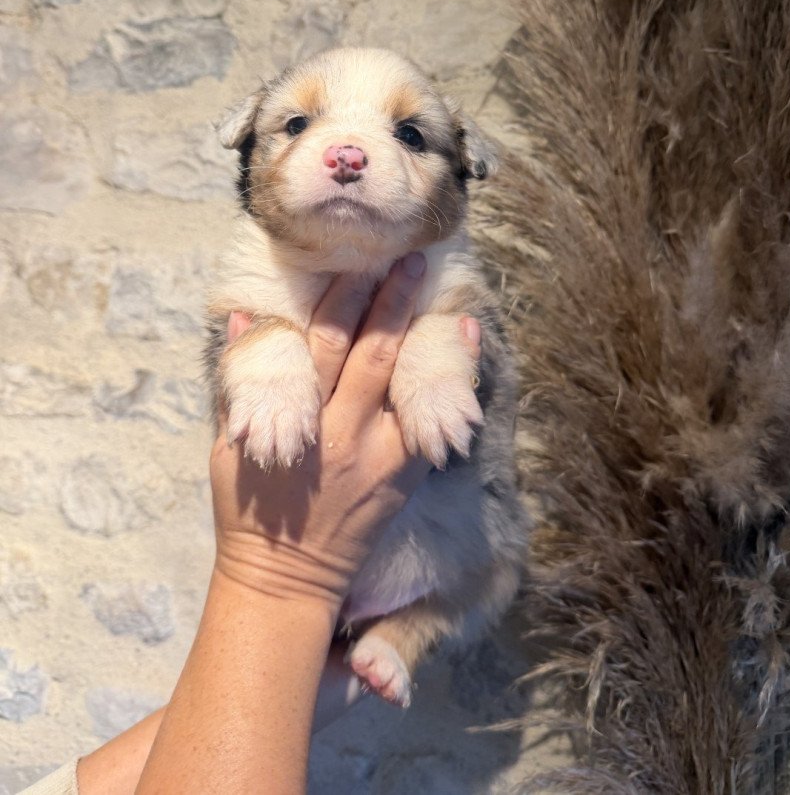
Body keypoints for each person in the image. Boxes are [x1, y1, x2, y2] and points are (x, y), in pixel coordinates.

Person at [21, 253, 482, 795]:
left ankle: (403, 633)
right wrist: (285, 576)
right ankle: (399, 633)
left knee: (485, 570)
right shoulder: (264, 266)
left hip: (409, 576)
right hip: (334, 576)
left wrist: (312, 668)